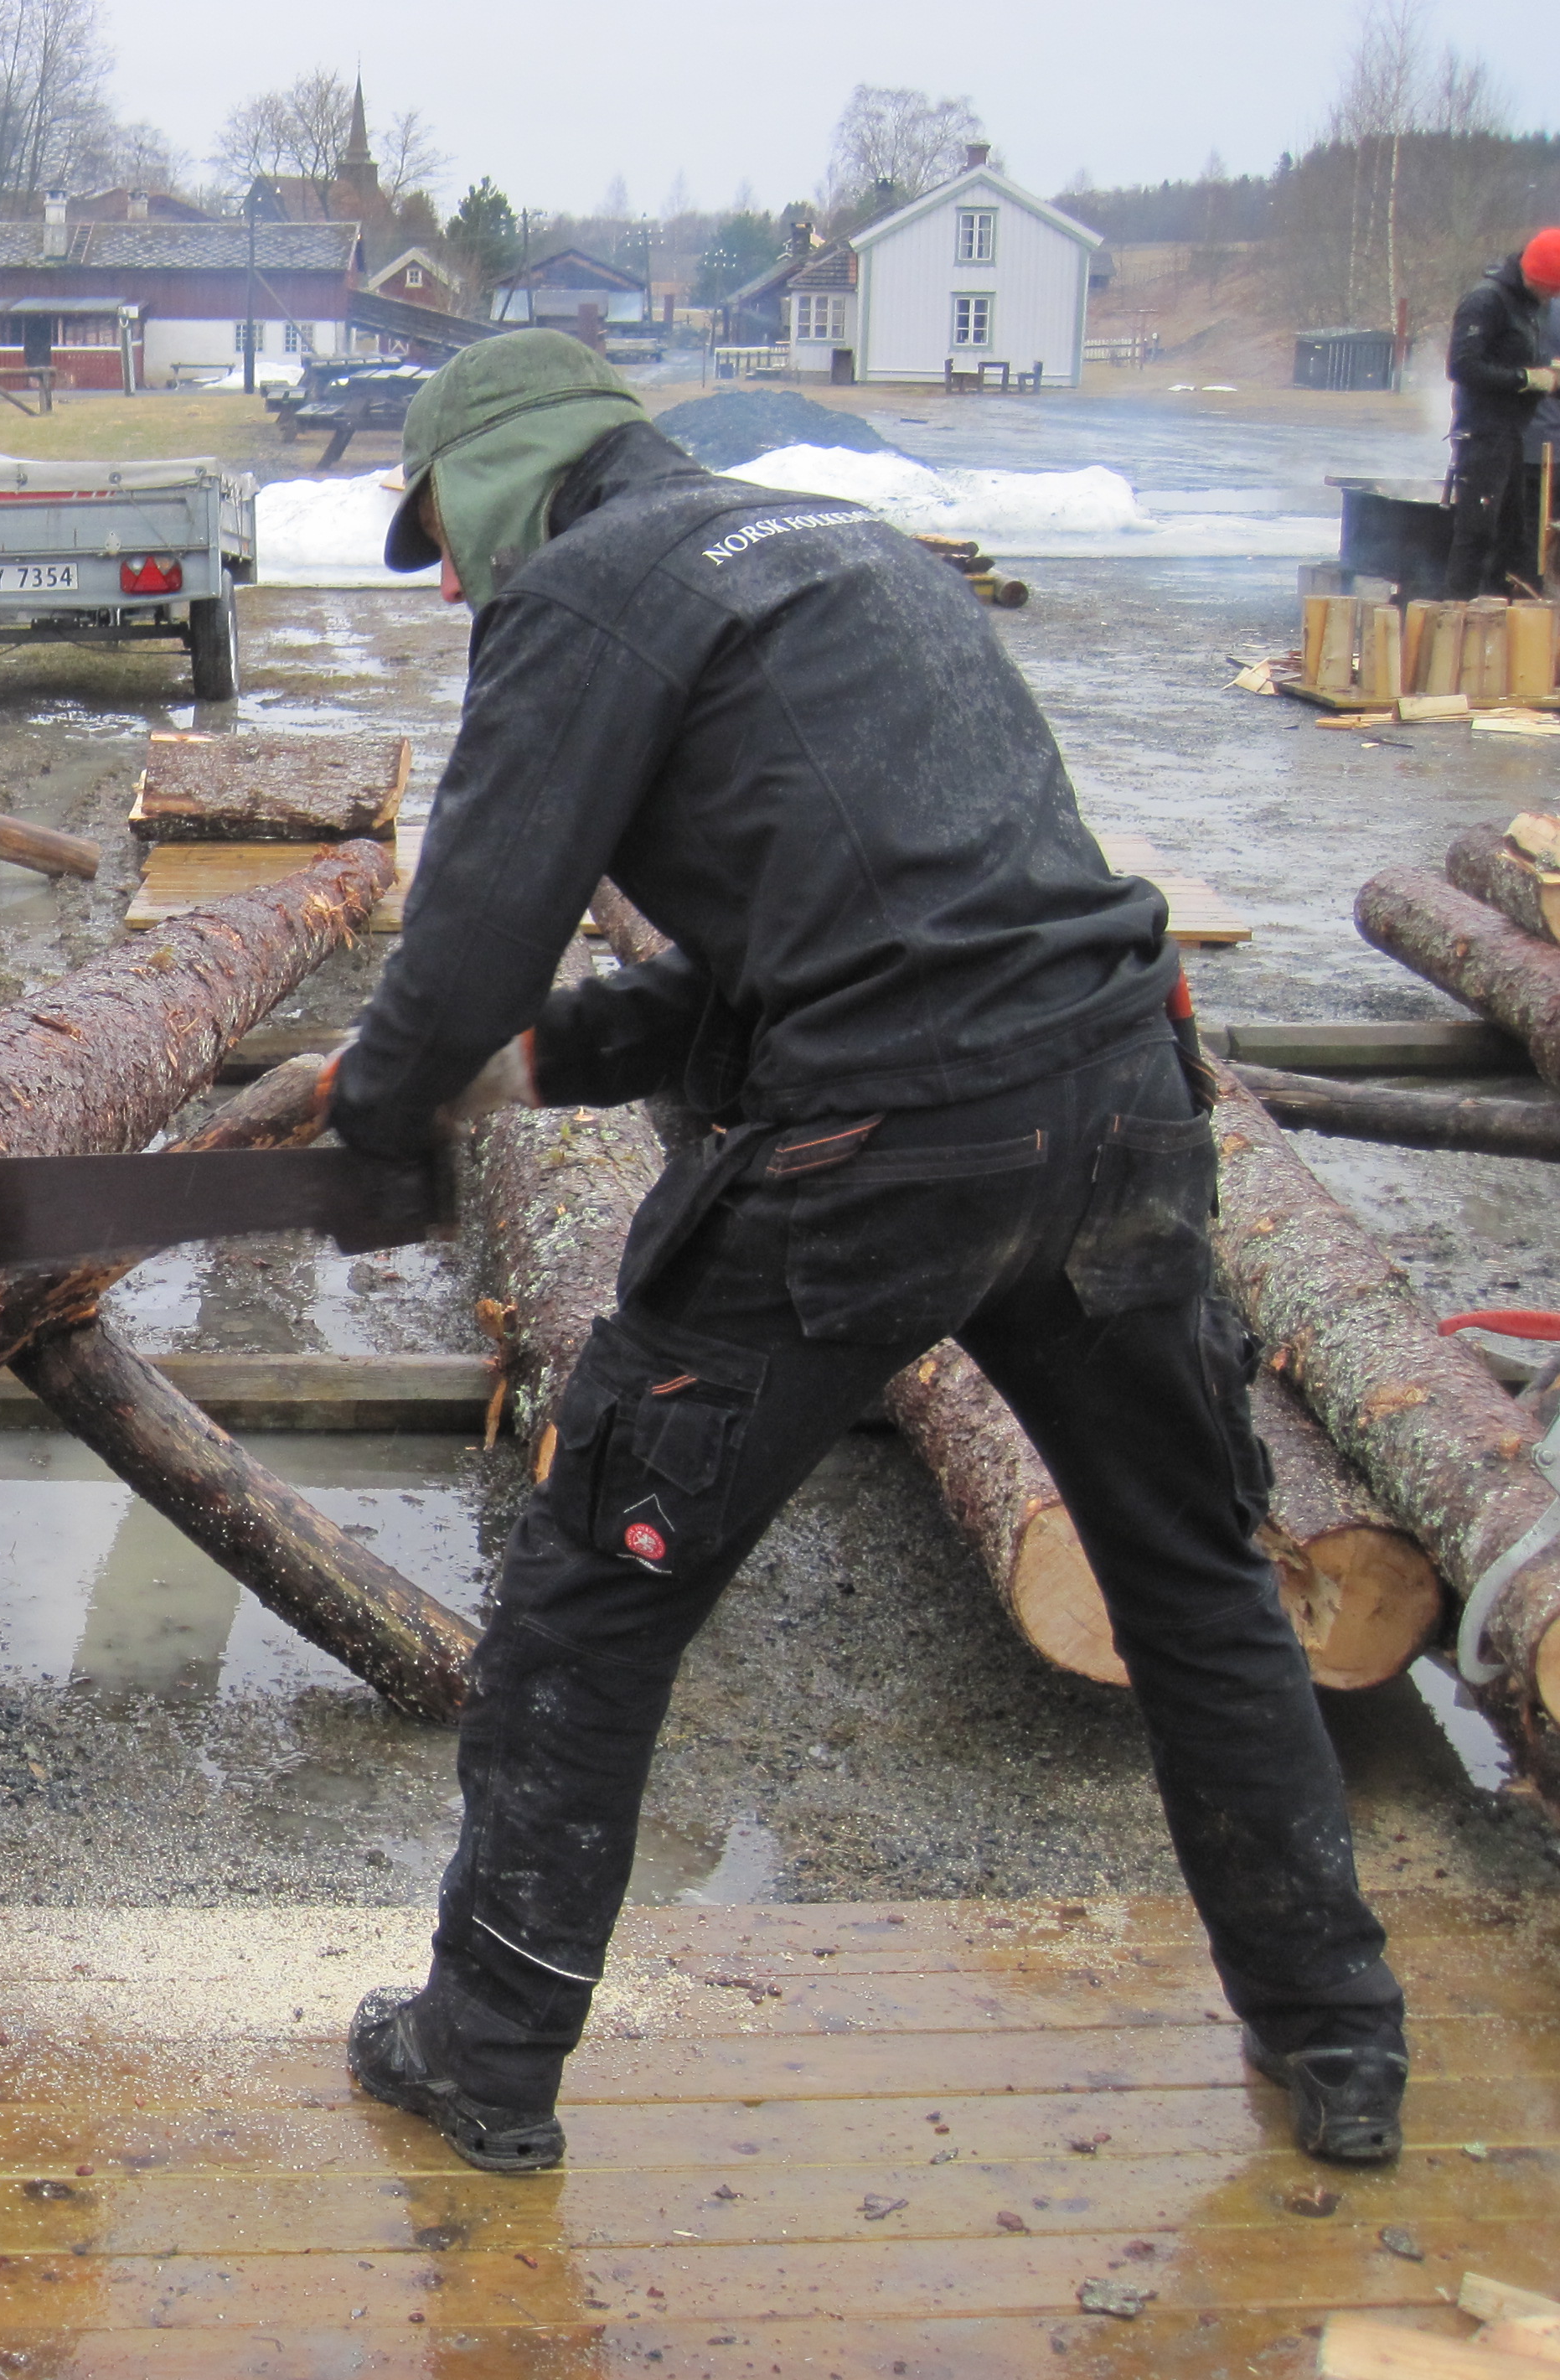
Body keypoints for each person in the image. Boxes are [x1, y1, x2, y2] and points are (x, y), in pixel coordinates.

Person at [327, 332, 1404, 2177]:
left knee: (592, 1595)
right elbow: (862, 930)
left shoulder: (586, 591)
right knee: (1197, 1581)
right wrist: (538, 1065)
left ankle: (484, 2052)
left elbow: (471, 939)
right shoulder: (847, 552)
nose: (444, 589)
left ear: (501, 481)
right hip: (1116, 1109)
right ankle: (1338, 2035)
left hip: (878, 1153)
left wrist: (377, 1114)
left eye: (440, 540)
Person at [1444, 230, 1560, 598]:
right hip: (1483, 431)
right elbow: (1462, 366)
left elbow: (1519, 357)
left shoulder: (1531, 305)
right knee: (1476, 532)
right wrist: (1525, 379)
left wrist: (1548, 374)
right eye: (1551, 289)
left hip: (1513, 432)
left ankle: (1506, 606)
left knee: (1513, 535)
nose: (1553, 297)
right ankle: (1457, 610)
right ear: (1534, 276)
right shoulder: (1487, 300)